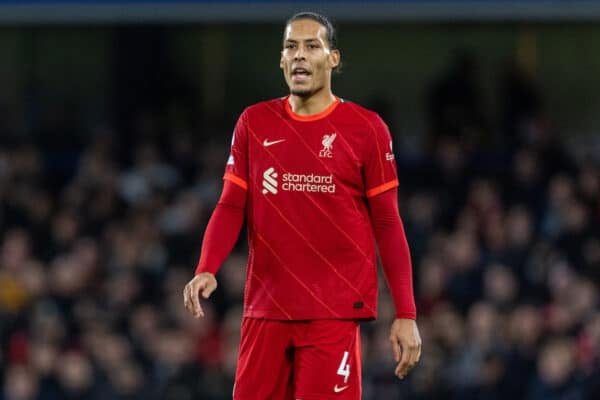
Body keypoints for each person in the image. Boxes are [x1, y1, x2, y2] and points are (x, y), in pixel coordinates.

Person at [183, 11, 421, 400]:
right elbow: (230, 206)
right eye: (291, 47)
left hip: (333, 311)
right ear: (281, 59)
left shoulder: (366, 130)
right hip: (265, 308)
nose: (299, 55)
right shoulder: (254, 123)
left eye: (312, 46)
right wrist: (206, 267)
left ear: (333, 58)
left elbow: (389, 224)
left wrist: (406, 314)